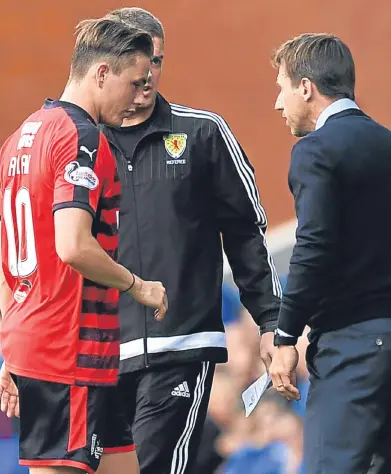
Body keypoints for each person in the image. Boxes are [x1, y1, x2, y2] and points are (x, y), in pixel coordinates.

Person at [95, 7, 282, 474]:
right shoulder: (81, 141)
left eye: (156, 60)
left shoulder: (202, 133)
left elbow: (246, 236)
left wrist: (270, 324)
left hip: (180, 345)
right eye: (138, 62)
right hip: (98, 352)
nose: (148, 74)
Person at [0, 18, 169, 474]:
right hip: (67, 349)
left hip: (61, 346)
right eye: (133, 83)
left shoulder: (21, 136)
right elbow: (73, 245)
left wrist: (12, 347)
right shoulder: (81, 136)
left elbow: (6, 263)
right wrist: (137, 285)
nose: (139, 96)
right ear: (100, 74)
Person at [269, 33, 391, 474]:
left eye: (282, 86)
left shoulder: (315, 150)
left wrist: (286, 335)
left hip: (352, 350)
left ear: (306, 87)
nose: (277, 102)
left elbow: (314, 246)